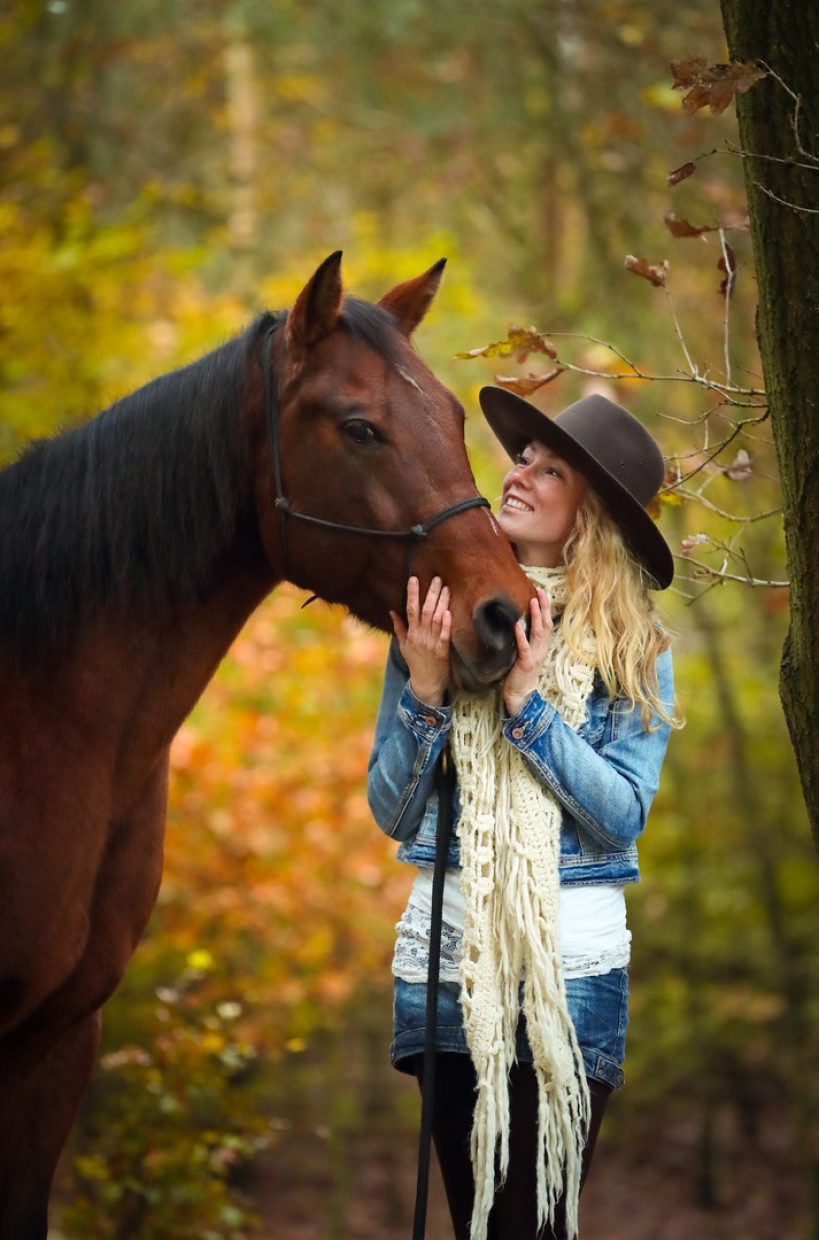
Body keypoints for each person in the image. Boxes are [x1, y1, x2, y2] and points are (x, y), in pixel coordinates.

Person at [368, 386, 682, 1240]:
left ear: (590, 517)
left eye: (550, 471)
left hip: (569, 975)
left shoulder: (633, 650)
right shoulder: (436, 620)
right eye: (521, 458)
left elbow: (620, 816)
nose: (518, 476)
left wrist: (528, 708)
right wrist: (427, 693)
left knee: (532, 1230)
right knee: (475, 1225)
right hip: (448, 962)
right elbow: (391, 811)